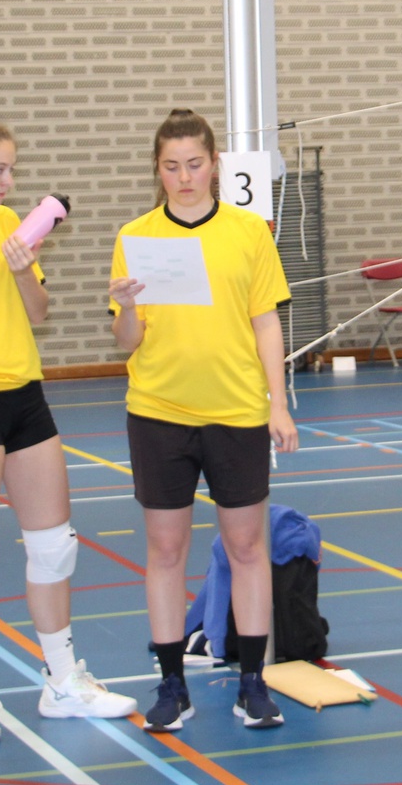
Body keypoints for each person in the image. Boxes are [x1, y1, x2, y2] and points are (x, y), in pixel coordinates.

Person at [0, 115, 135, 742]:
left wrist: (21, 269)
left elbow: (38, 312)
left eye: (11, 170)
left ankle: (63, 682)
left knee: (54, 546)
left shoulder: (8, 224)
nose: (8, 182)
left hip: (24, 396)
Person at [111, 109, 297, 733]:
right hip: (158, 413)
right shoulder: (136, 236)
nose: (184, 177)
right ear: (157, 170)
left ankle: (252, 683)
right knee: (166, 550)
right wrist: (126, 307)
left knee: (247, 547)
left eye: (194, 164)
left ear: (215, 165)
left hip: (236, 412)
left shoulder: (247, 232)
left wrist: (277, 403)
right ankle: (172, 685)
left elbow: (266, 321)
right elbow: (126, 340)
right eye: (171, 166)